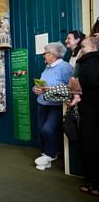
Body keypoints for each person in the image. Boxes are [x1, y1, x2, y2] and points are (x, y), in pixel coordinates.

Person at [32, 42, 73, 170]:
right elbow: (39, 86)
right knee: (41, 131)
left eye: (45, 53)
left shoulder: (65, 67)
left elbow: (70, 88)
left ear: (52, 55)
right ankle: (45, 158)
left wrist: (49, 89)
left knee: (47, 130)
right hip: (42, 104)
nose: (43, 55)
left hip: (56, 105)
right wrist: (36, 89)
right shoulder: (47, 68)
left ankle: (51, 154)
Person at [71, 36, 99, 196]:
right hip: (87, 105)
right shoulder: (81, 62)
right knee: (90, 142)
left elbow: (74, 84)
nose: (82, 49)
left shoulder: (81, 62)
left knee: (90, 142)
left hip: (88, 104)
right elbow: (74, 84)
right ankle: (92, 182)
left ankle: (93, 181)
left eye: (84, 46)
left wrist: (76, 94)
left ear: (94, 47)